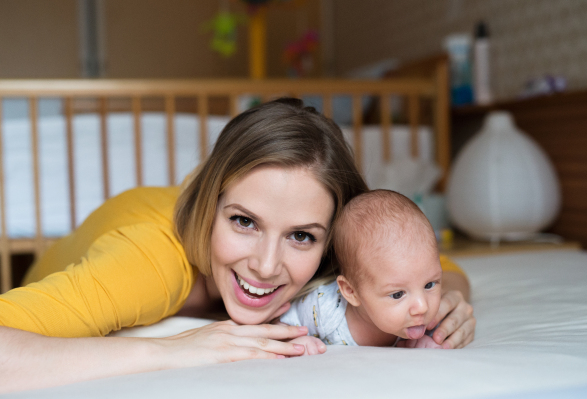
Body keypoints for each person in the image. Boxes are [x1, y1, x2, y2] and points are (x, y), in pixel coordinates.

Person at [0, 99, 474, 393]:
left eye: (301, 236)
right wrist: (173, 350)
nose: (267, 266)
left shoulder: (339, 251)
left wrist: (446, 301)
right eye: (244, 221)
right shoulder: (147, 263)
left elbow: (439, 266)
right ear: (211, 206)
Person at [280, 190, 454, 353]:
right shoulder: (323, 309)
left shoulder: (429, 319)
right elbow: (281, 322)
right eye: (397, 294)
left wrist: (424, 340)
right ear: (351, 291)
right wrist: (295, 339)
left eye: (429, 284)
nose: (422, 306)